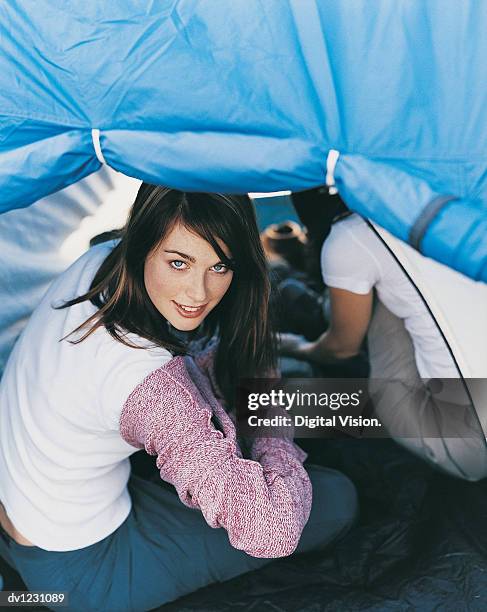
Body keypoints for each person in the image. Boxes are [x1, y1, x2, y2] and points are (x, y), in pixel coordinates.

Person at [0, 185, 358, 611]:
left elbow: (209, 358)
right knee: (334, 498)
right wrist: (270, 429)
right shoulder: (146, 384)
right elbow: (272, 530)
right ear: (145, 244)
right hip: (84, 568)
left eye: (220, 266)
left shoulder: (101, 257)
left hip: (29, 504)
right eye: (178, 263)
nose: (197, 294)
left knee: (298, 389)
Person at [280, 211, 487, 481]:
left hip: (468, 444)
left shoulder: (355, 232)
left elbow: (341, 349)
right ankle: (329, 306)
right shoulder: (466, 199)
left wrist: (296, 346)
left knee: (373, 291)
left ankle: (267, 406)